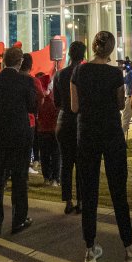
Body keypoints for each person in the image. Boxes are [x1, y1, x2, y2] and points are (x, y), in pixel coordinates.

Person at [70, 30, 132, 262]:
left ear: (93, 47)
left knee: (88, 191)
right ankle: (129, 248)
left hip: (87, 133)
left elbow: (74, 107)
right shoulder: (115, 73)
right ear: (111, 50)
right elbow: (119, 104)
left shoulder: (79, 71)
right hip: (111, 133)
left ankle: (90, 249)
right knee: (118, 191)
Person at [0, 46, 38, 235]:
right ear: (20, 62)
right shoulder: (26, 81)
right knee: (19, 179)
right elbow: (32, 106)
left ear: (3, 61)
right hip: (19, 135)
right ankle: (19, 220)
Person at [53, 42, 86, 214]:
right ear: (83, 55)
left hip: (63, 121)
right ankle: (81, 200)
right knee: (81, 164)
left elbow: (56, 102)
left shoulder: (59, 74)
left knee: (66, 163)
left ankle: (68, 200)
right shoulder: (84, 73)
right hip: (80, 121)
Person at [34, 71, 60, 185]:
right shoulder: (51, 97)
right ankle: (51, 178)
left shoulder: (44, 98)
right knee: (49, 155)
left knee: (51, 155)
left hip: (47, 130)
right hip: (47, 130)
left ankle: (52, 178)